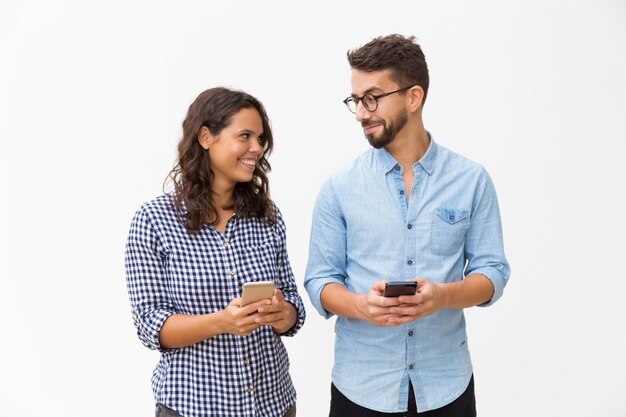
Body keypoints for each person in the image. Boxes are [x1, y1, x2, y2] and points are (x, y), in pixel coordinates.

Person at [304, 35, 510, 417]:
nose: (361, 113)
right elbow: (319, 281)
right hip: (361, 388)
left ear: (413, 98)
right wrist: (362, 306)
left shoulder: (472, 180)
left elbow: (493, 273)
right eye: (356, 101)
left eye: (372, 98)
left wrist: (443, 296)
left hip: (446, 385)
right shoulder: (339, 187)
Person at [125, 87, 305, 417]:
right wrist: (221, 322)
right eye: (245, 136)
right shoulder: (153, 220)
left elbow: (293, 303)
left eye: (260, 138)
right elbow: (151, 325)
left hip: (273, 405)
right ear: (206, 137)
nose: (257, 148)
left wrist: (284, 313)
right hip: (192, 407)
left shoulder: (267, 216)